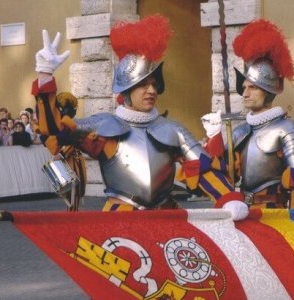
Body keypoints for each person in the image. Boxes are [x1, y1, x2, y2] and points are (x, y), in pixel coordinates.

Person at [31, 16, 246, 219]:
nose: (151, 90)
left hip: (166, 215)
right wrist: (45, 77)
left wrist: (228, 198)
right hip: (120, 216)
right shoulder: (104, 125)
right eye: (142, 85)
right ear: (126, 91)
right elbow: (55, 131)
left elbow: (204, 168)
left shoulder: (173, 130)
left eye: (153, 84)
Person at [201, 19, 294, 209]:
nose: (245, 93)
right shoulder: (241, 130)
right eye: (244, 87)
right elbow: (225, 173)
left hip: (274, 212)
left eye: (253, 88)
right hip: (243, 211)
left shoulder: (285, 129)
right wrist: (214, 137)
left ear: (267, 91)